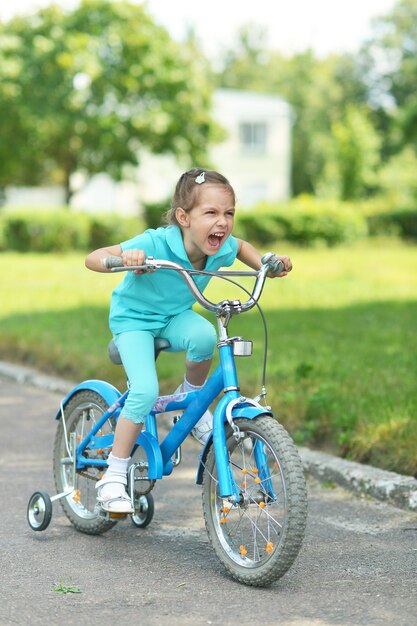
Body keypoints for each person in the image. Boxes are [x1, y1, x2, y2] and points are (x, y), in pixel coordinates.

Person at [85, 168, 292, 513]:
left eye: (229, 213)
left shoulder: (220, 248)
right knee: (145, 391)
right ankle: (114, 473)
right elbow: (92, 258)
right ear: (183, 217)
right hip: (134, 321)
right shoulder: (154, 242)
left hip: (172, 317)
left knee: (203, 336)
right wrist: (126, 259)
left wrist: (265, 262)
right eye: (211, 213)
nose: (223, 223)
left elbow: (243, 248)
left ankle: (191, 404)